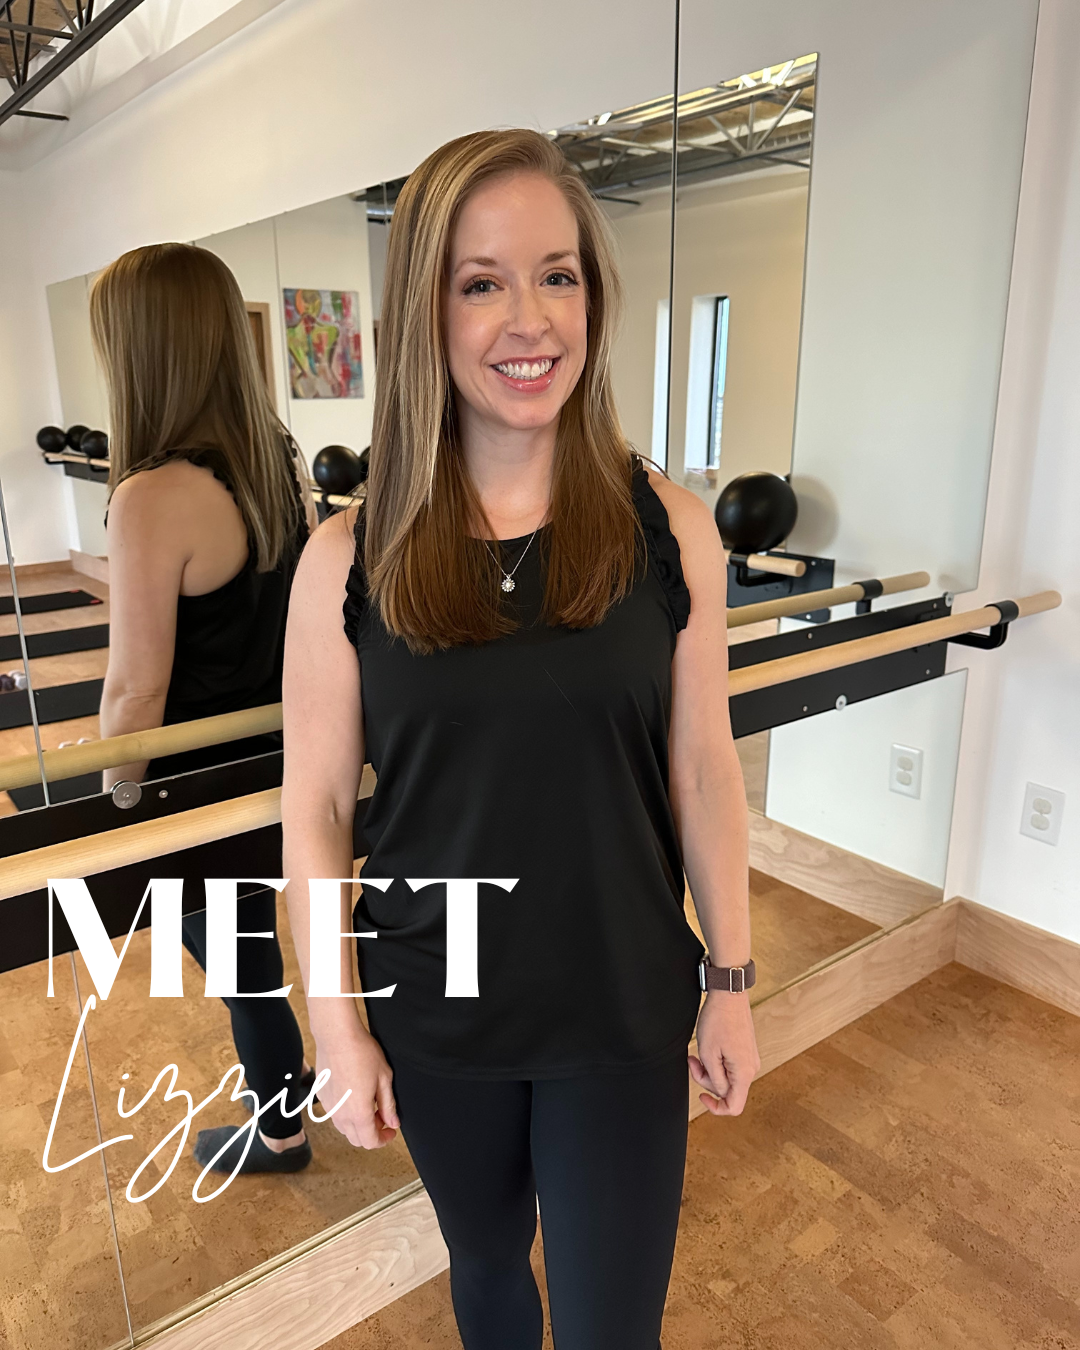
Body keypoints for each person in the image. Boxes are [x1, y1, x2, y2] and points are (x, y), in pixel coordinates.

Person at [281, 129, 759, 1348]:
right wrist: (336, 1023)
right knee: (489, 1269)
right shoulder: (349, 555)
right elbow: (319, 808)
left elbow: (702, 768)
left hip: (619, 1003)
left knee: (610, 1329)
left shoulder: (670, 528)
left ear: (594, 296)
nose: (528, 318)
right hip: (441, 1006)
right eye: (481, 282)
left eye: (558, 274)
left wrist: (735, 982)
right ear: (426, 312)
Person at [91, 242, 321, 1174]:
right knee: (257, 954)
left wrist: (111, 792)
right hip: (278, 763)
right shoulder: (273, 460)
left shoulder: (151, 496)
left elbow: (135, 686)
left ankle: (282, 1129)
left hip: (195, 791)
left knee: (243, 973)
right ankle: (297, 1110)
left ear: (143, 350)